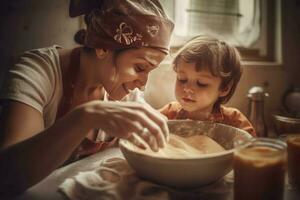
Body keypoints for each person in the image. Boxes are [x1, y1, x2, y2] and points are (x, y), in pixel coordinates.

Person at [0, 0, 173, 196]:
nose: (142, 84)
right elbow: (6, 177)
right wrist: (85, 116)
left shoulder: (127, 94)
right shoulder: (38, 73)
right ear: (103, 48)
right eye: (140, 68)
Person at [159, 35, 256, 136]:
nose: (187, 89)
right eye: (182, 79)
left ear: (224, 88)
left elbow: (250, 148)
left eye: (201, 83)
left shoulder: (235, 122)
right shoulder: (168, 113)